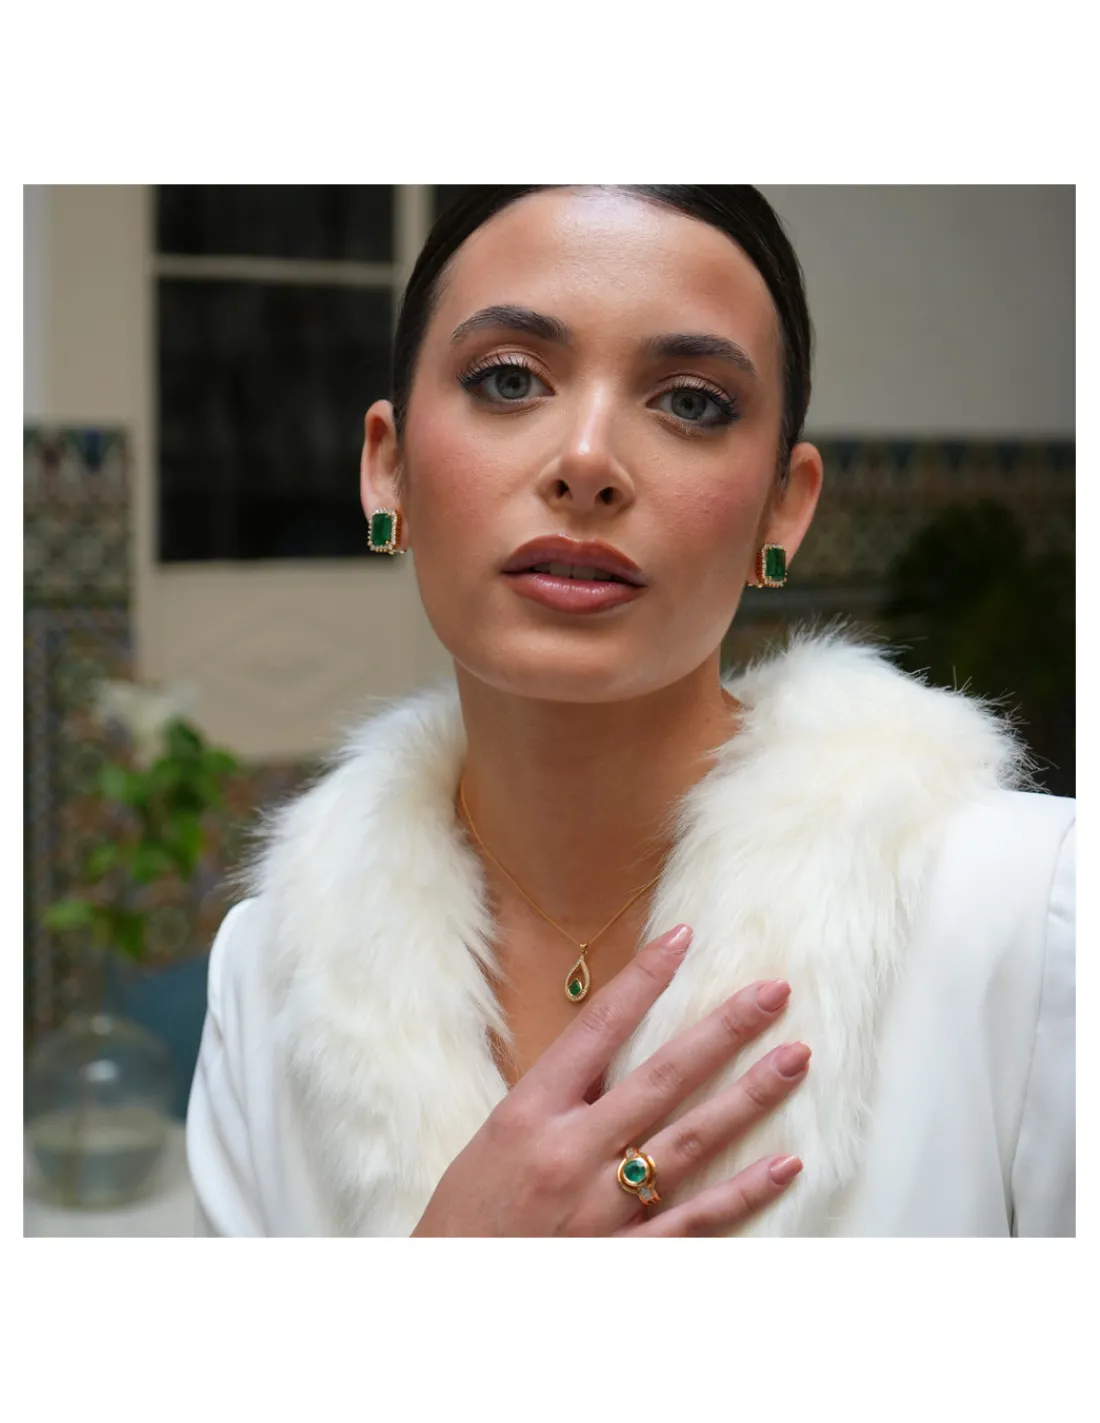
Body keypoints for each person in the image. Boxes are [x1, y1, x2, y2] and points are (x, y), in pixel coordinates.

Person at [185, 186, 1075, 1237]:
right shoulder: (267, 971)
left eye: (690, 401)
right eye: (508, 379)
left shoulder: (1034, 911)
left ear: (782, 506)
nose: (586, 462)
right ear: (389, 468)